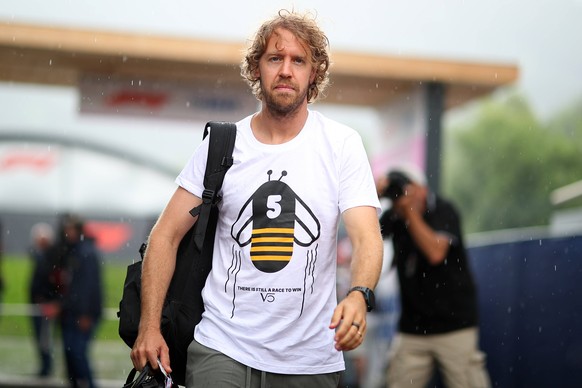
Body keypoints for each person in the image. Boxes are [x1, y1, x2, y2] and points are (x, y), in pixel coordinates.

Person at [130, 9, 384, 388]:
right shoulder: (222, 145)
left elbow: (366, 236)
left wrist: (359, 295)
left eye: (299, 60)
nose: (286, 70)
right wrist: (149, 327)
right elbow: (165, 235)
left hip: (310, 359)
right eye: (274, 58)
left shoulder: (341, 145)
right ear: (256, 68)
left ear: (314, 73)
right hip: (222, 348)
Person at [377, 167, 490, 388]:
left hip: (454, 325)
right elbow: (365, 235)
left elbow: (436, 253)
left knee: (467, 382)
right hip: (413, 327)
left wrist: (410, 214)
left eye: (407, 189)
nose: (403, 197)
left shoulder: (443, 209)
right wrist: (373, 196)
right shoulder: (395, 216)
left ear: (421, 188)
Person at [49, 214, 103, 388]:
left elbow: (89, 286)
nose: (68, 232)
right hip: (70, 313)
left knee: (77, 355)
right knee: (70, 356)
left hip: (81, 314)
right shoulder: (70, 250)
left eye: (71, 229)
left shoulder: (86, 252)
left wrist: (86, 313)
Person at [29, 222, 58, 377]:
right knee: (42, 338)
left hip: (44, 305)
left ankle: (46, 368)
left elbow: (50, 282)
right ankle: (45, 366)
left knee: (44, 338)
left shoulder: (48, 257)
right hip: (39, 304)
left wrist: (46, 299)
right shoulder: (43, 256)